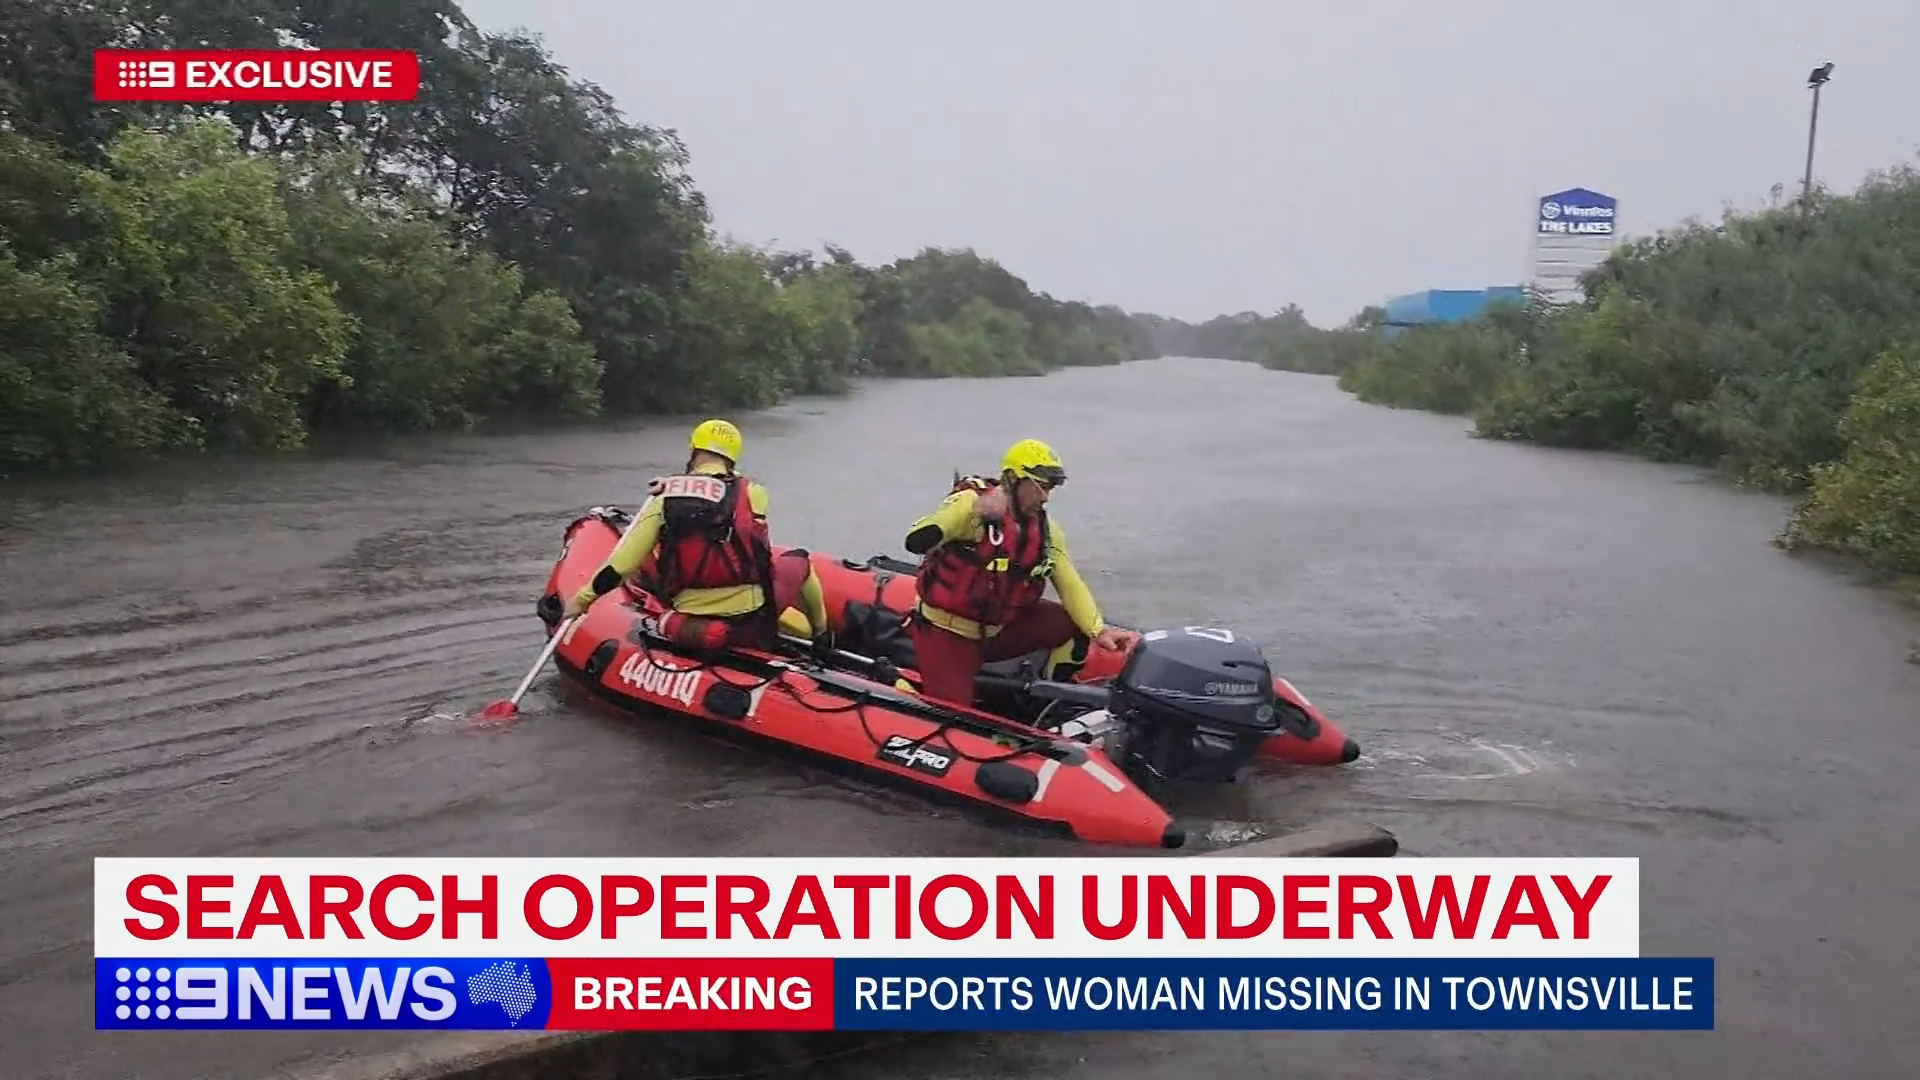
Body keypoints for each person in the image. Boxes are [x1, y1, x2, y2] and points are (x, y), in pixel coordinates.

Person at [563, 419, 832, 654]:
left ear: (693, 450)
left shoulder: (665, 500)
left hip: (691, 618)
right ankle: (822, 635)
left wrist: (582, 600)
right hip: (750, 619)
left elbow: (621, 565)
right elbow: (728, 488)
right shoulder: (756, 494)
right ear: (732, 459)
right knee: (800, 560)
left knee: (649, 559)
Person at [901, 437, 1129, 706]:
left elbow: (1069, 582)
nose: (1045, 497)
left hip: (998, 631)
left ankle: (1047, 700)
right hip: (947, 634)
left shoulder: (1046, 530)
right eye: (1040, 488)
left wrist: (1098, 631)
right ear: (1012, 479)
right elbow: (916, 540)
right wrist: (973, 512)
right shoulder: (972, 505)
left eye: (1050, 489)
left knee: (1070, 623)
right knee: (954, 714)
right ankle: (909, 685)